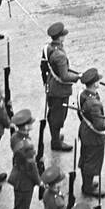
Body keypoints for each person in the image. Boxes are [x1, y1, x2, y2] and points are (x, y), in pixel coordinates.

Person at [77, 67, 105, 198]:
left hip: (85, 132)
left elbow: (81, 114)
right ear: (95, 84)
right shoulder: (93, 103)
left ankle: (87, 183)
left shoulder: (84, 94)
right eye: (98, 80)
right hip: (93, 137)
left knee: (86, 159)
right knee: (91, 162)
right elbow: (99, 125)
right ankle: (87, 188)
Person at [42, 21, 80, 152]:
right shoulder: (59, 55)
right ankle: (56, 142)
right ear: (60, 37)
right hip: (59, 90)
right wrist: (78, 77)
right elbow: (64, 76)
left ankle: (56, 137)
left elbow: (45, 67)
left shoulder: (49, 48)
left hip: (51, 85)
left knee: (53, 114)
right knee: (58, 117)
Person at [8, 110, 41, 209]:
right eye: (29, 123)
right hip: (24, 181)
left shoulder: (16, 137)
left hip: (18, 175)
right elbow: (31, 167)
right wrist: (39, 181)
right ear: (25, 126)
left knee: (21, 208)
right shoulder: (27, 145)